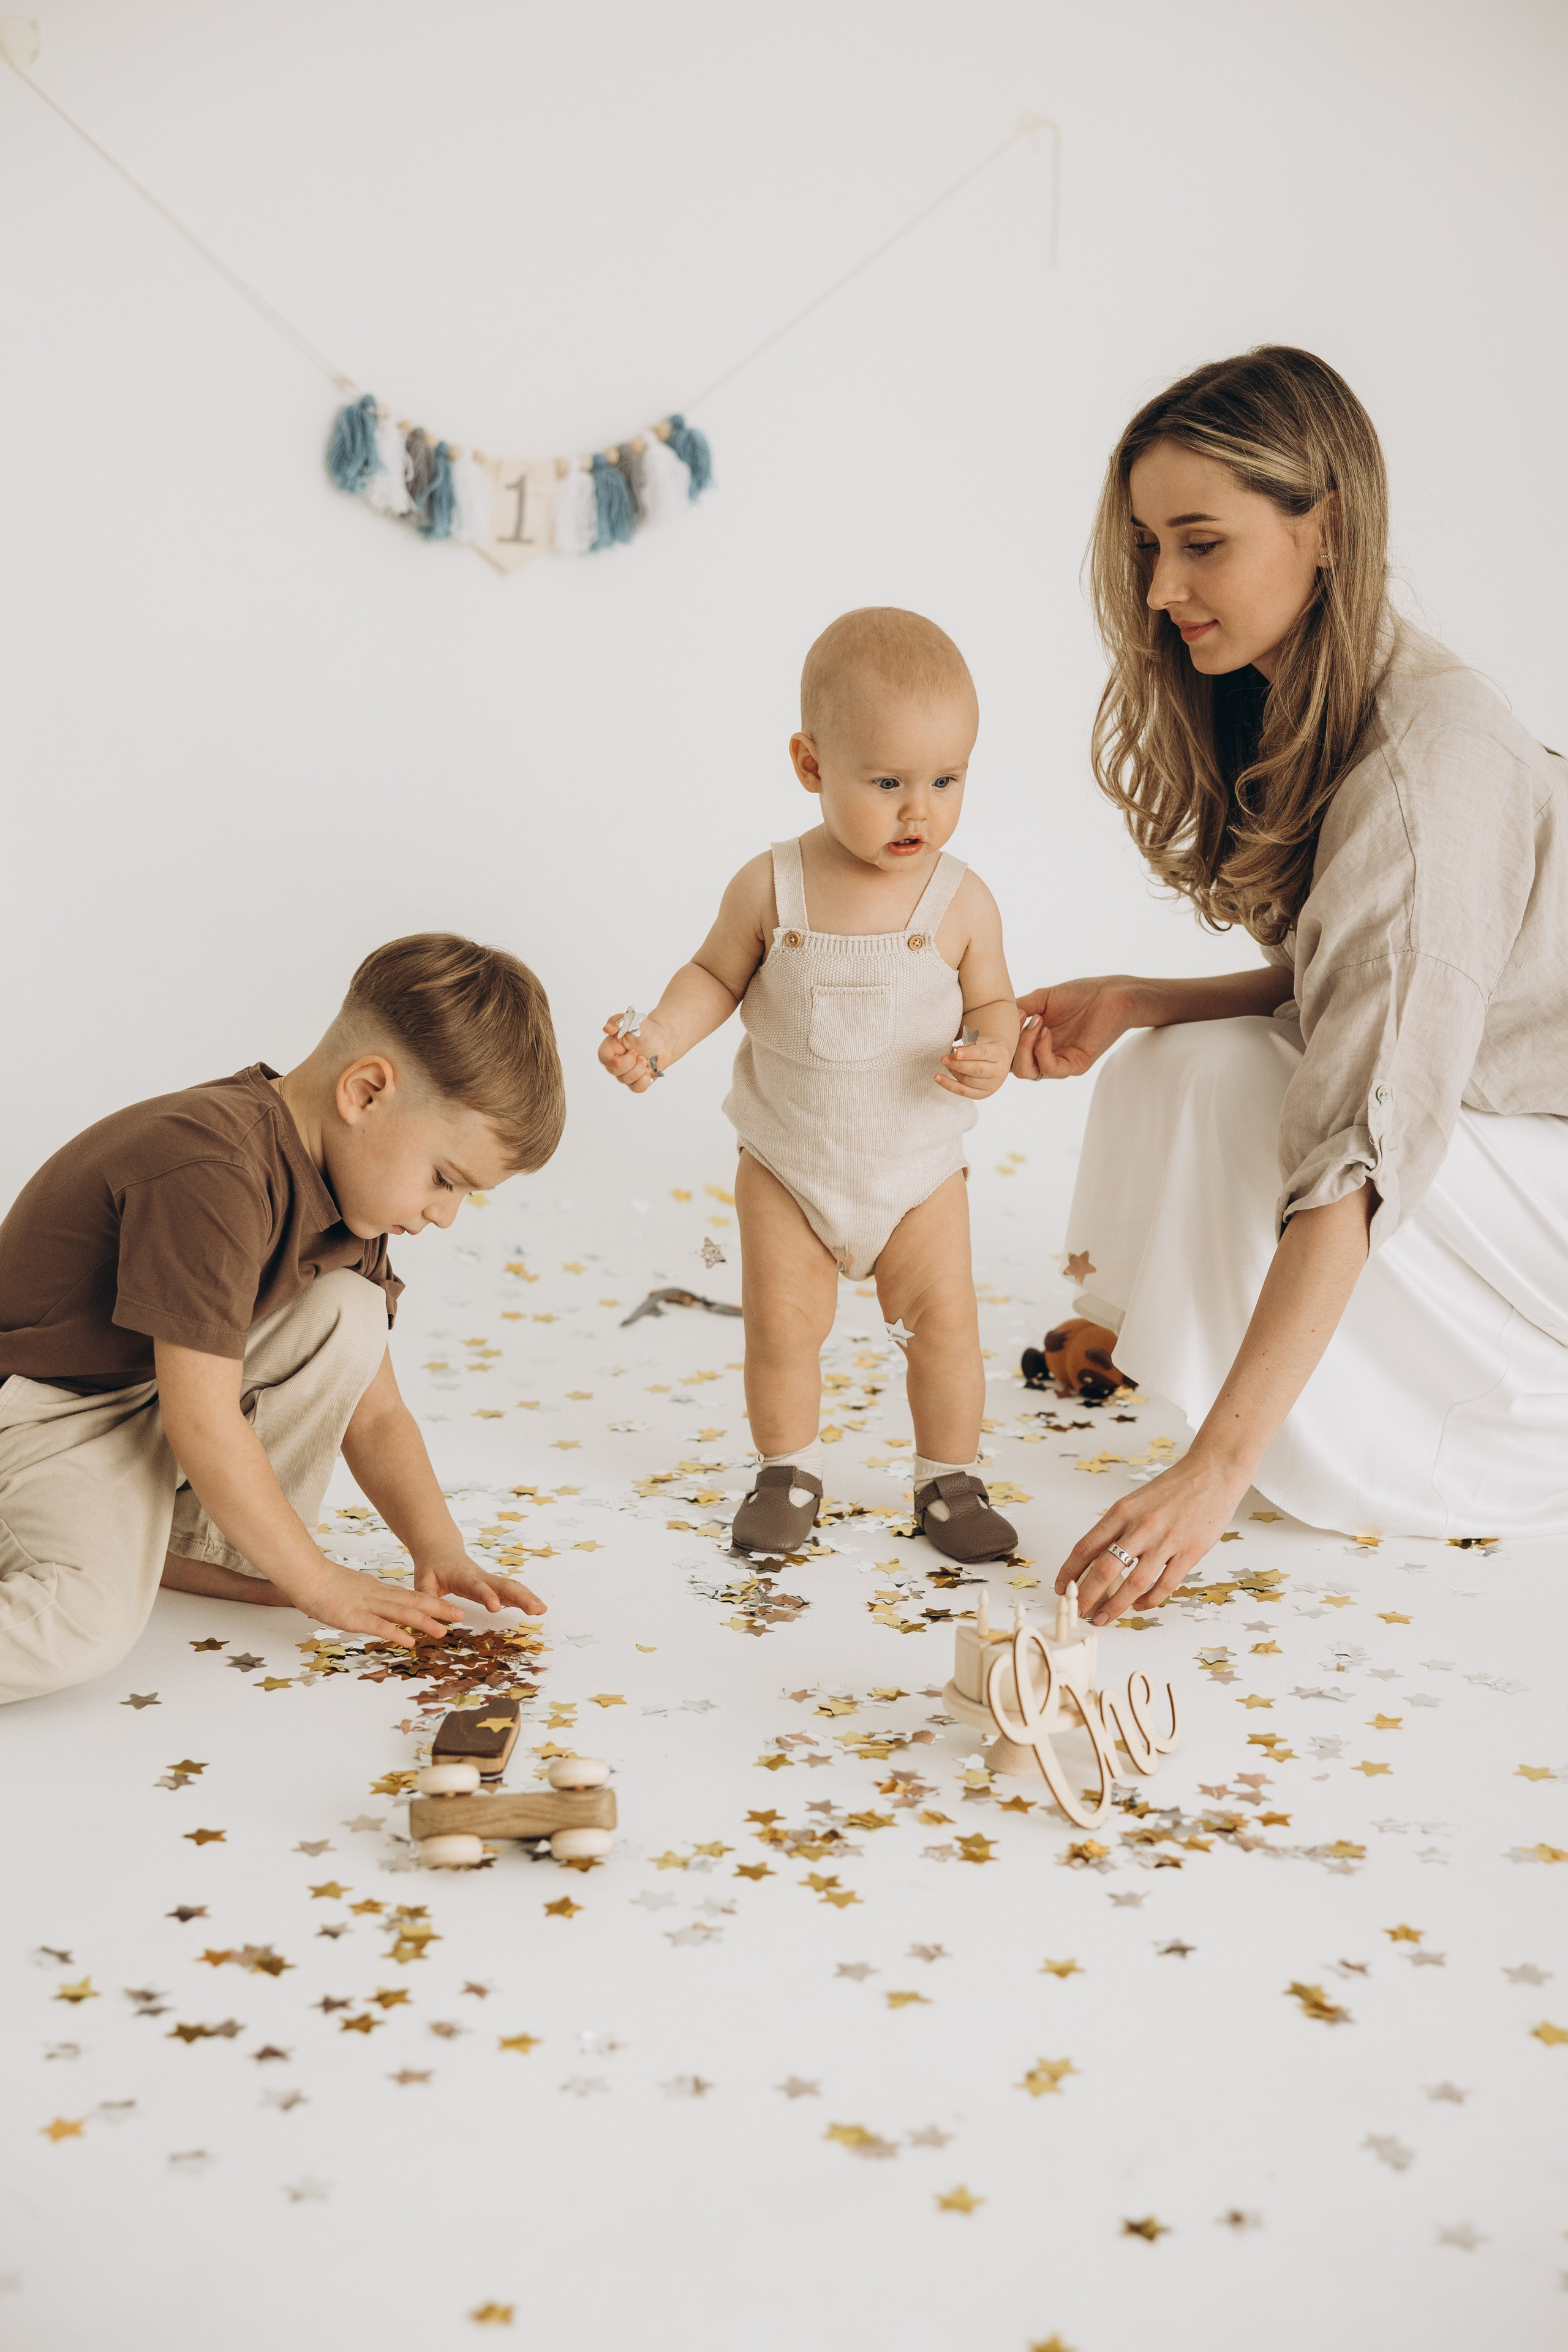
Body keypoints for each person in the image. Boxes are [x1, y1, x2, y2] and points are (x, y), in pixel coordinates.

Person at [1013, 345, 1568, 1624]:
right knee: (1187, 1061)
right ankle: (1151, 1339)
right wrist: (1141, 996)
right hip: (1518, 1114)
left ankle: (1403, 1430)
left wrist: (1216, 1470)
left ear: (1324, 525)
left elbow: (1367, 1137)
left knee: (1255, 1106)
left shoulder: (1430, 771)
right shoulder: (1323, 700)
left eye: (1201, 544)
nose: (1162, 590)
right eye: (1149, 547)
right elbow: (1363, 984)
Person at [0, 932, 564, 1705]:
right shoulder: (213, 1170)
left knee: (348, 1311)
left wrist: (439, 1548)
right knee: (81, 1628)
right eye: (444, 1179)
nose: (445, 1215)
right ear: (366, 1092)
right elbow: (201, 1418)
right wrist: (316, 1581)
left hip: (141, 1393)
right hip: (42, 1411)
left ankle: (203, 1545)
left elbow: (377, 1413)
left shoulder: (348, 1204)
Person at [599, 608, 1022, 1563]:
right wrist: (659, 1038)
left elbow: (995, 1002)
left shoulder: (960, 900)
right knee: (784, 1331)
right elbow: (714, 977)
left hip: (919, 1172)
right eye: (888, 783)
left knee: (945, 1330)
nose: (920, 812)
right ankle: (787, 1470)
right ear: (810, 764)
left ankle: (948, 1480)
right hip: (789, 1166)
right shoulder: (771, 886)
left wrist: (991, 1050)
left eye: (947, 781)